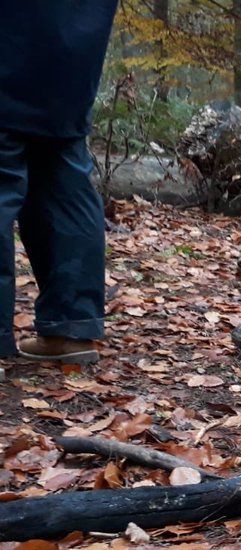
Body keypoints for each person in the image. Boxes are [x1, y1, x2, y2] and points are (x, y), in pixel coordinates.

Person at [0, 0, 119, 371]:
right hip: (73, 48)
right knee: (61, 175)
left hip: (12, 37)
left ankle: (69, 325)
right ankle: (69, 328)